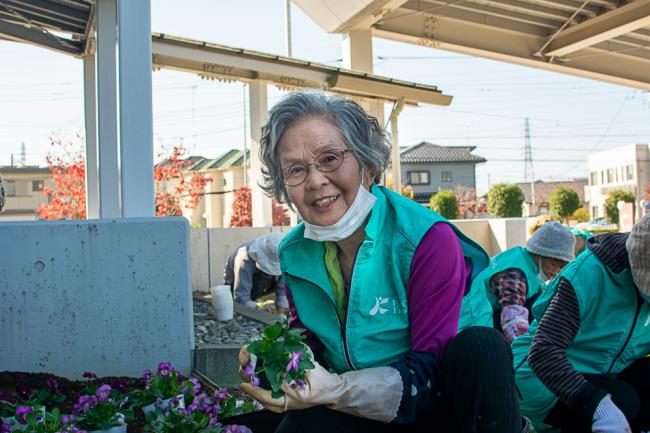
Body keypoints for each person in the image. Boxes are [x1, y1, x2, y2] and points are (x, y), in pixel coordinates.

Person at [237, 92, 526, 433]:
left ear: (368, 164)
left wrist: (336, 389)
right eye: (296, 170)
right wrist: (283, 358)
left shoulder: (427, 241)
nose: (315, 181)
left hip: (438, 401)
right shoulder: (294, 253)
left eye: (330, 158)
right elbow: (310, 341)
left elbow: (429, 367)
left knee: (482, 346)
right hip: (356, 401)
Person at [512, 214, 650, 433]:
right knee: (624, 400)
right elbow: (542, 352)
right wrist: (598, 405)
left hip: (601, 371)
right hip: (538, 381)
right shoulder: (587, 276)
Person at [459, 221, 575, 343]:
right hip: (472, 324)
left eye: (561, 267)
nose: (556, 271)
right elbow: (513, 324)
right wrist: (526, 352)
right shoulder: (514, 276)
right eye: (554, 263)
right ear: (540, 253)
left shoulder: (522, 259)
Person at [224, 232, 288, 315]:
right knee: (242, 305)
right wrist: (258, 308)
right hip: (236, 285)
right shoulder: (244, 257)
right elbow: (240, 296)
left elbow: (282, 289)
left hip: (263, 281)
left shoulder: (282, 254)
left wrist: (280, 315)